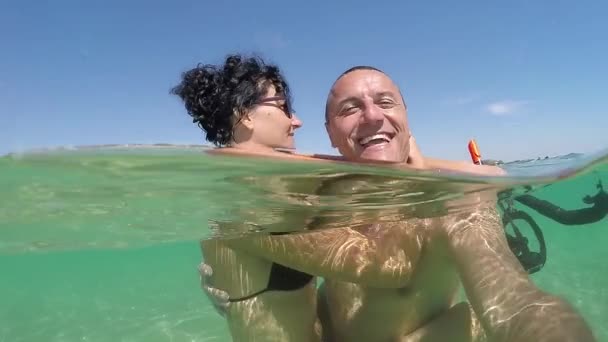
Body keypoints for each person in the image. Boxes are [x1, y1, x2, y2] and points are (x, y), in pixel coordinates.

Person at [180, 61, 595, 341]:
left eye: (384, 102)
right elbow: (327, 301)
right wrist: (242, 295)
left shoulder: (457, 202)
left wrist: (248, 238)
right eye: (350, 108)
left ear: (406, 117)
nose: (372, 117)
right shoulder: (324, 194)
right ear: (331, 132)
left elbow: (521, 305)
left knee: (469, 323)